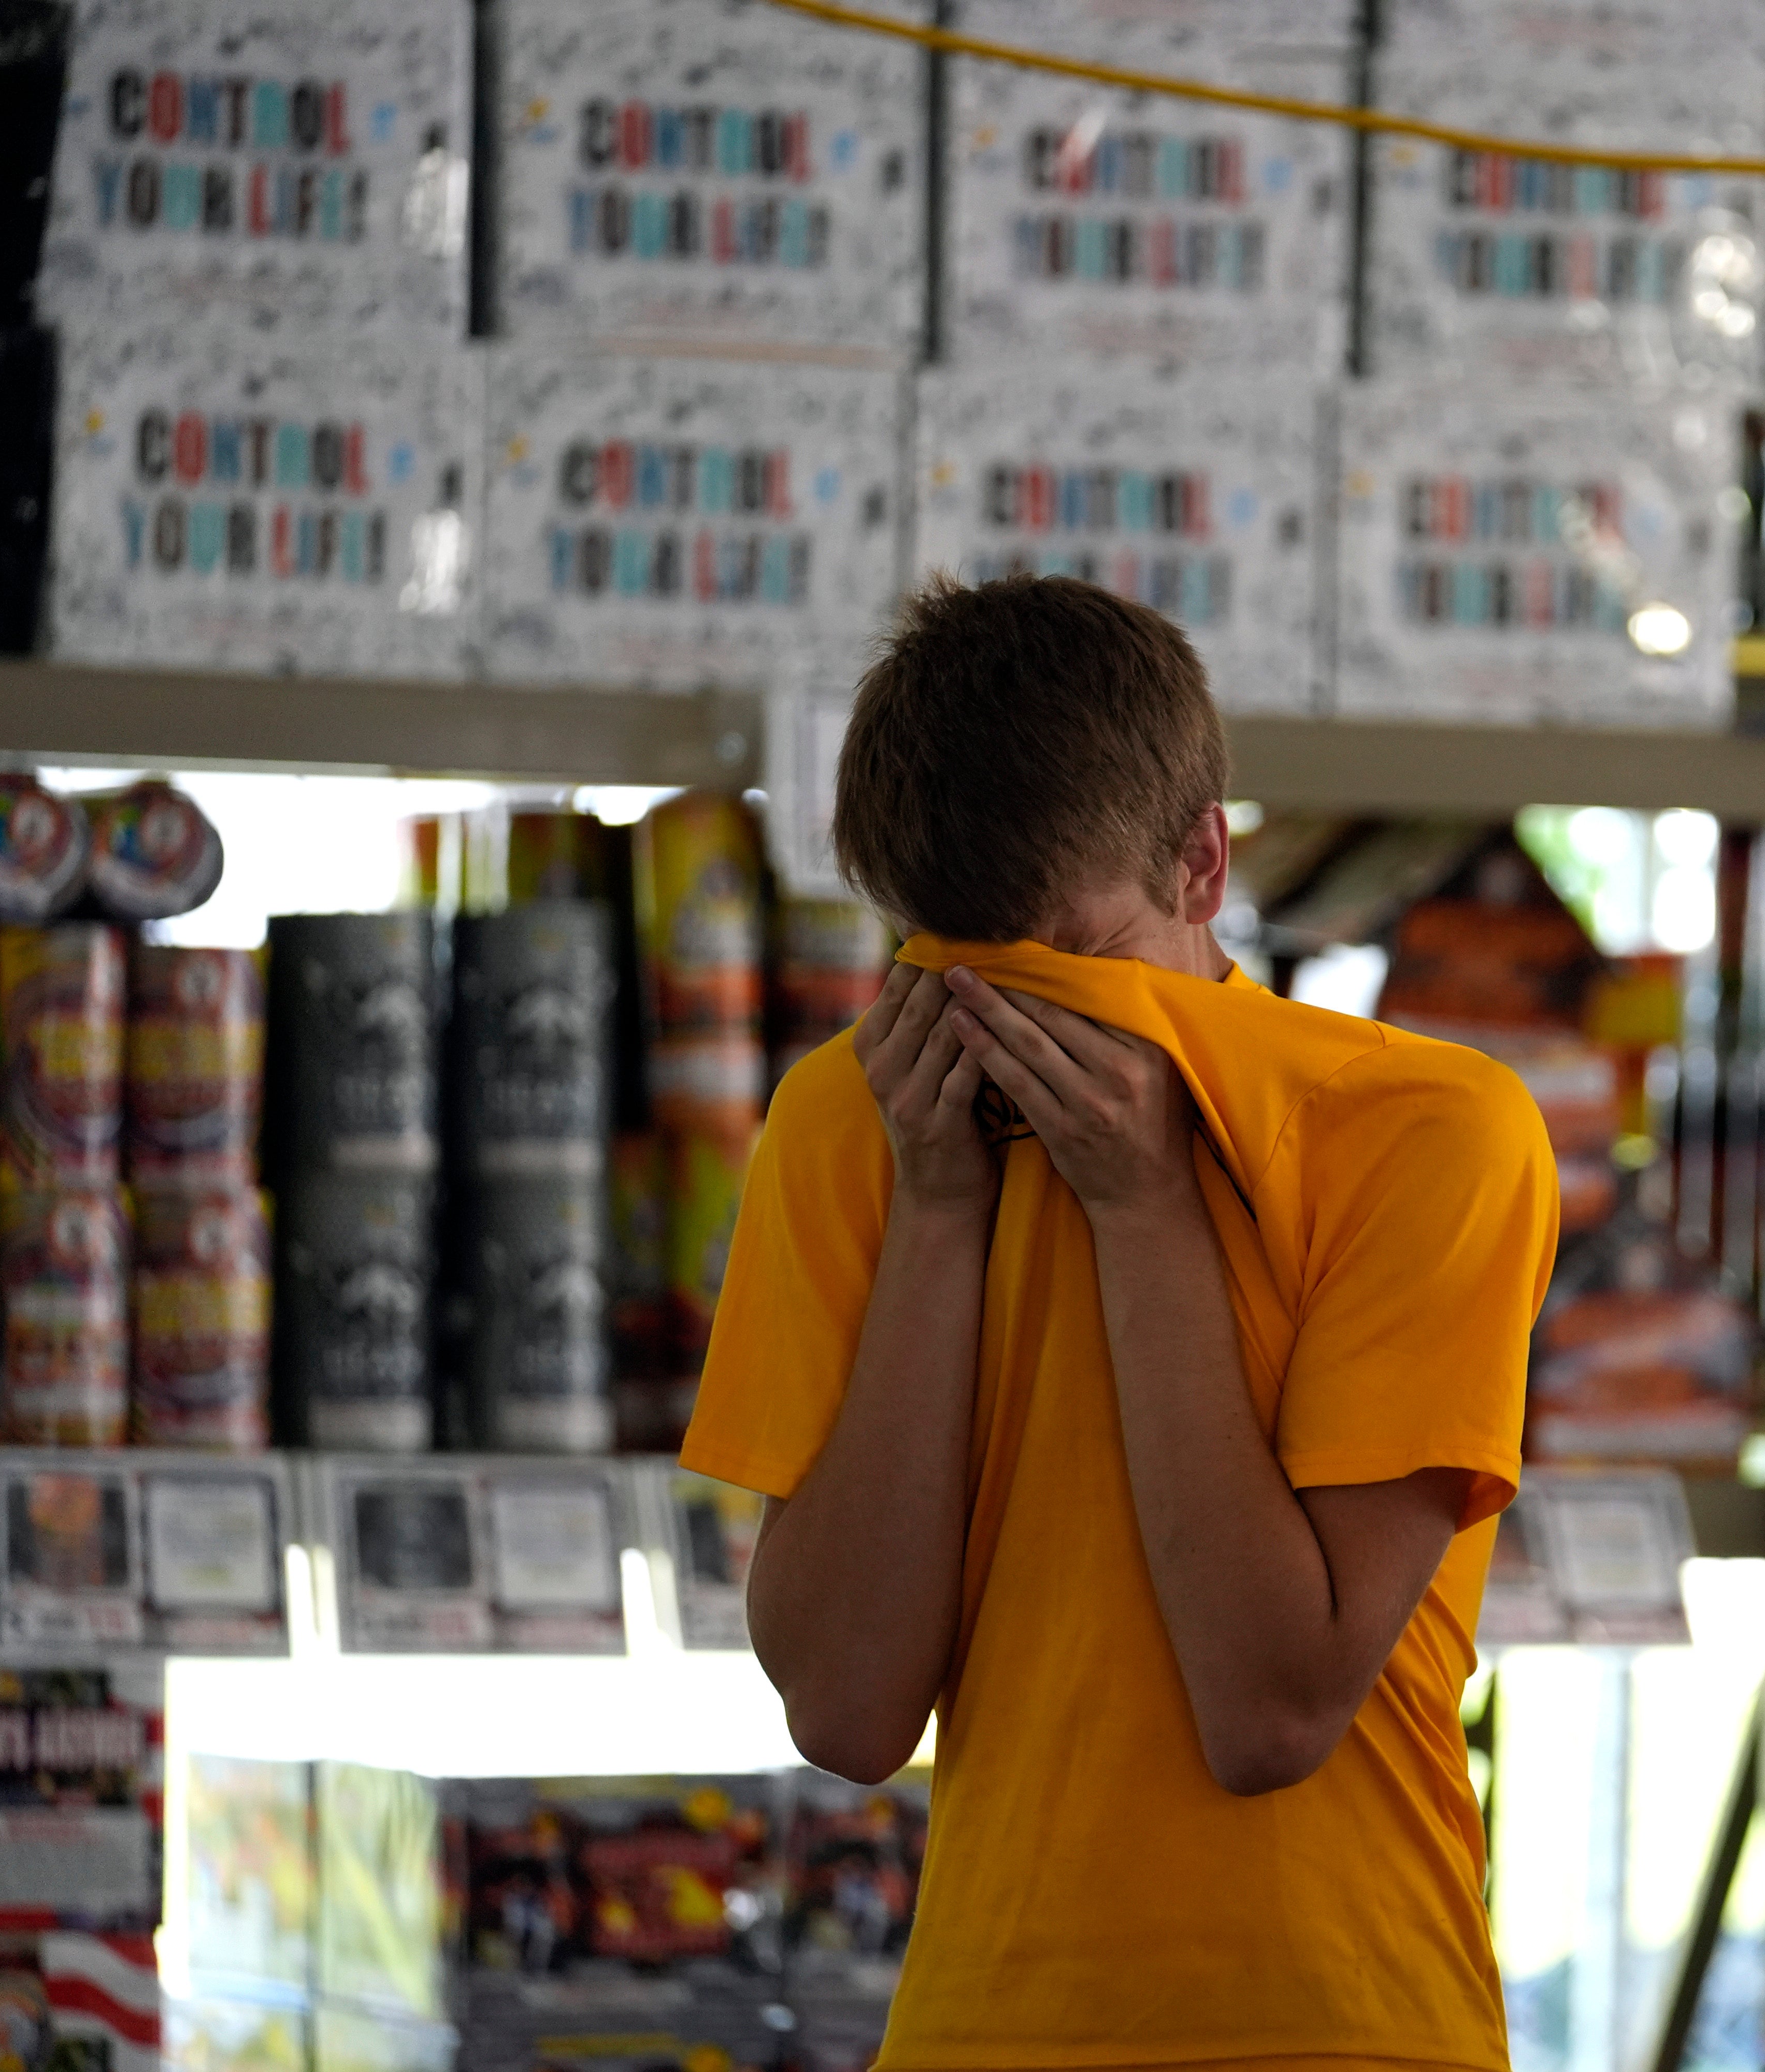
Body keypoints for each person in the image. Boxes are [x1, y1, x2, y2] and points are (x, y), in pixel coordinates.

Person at [682, 573, 1560, 2069]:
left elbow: (1270, 1714)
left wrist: (1146, 1212)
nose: (1012, 1033)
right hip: (987, 2018)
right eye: (953, 978)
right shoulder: (864, 1116)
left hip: (1339, 2024)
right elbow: (843, 1709)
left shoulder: (1421, 1131)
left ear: (1203, 864)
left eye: (1069, 973)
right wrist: (941, 1215)